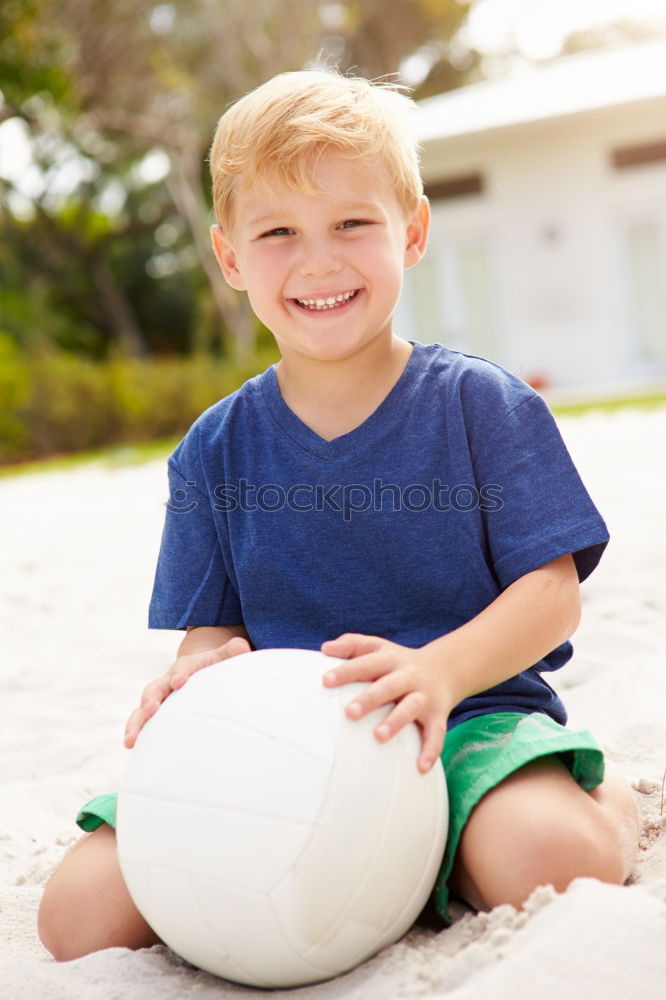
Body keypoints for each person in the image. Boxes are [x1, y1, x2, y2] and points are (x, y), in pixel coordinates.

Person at [38, 69, 639, 962]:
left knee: (545, 858)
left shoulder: (481, 406)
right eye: (278, 232)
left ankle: (611, 806)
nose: (318, 262)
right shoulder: (215, 450)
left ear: (414, 231)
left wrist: (439, 672)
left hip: (466, 721)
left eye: (352, 223)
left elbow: (551, 596)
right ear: (231, 257)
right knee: (76, 916)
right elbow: (211, 635)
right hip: (277, 748)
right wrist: (196, 675)